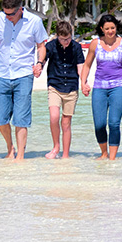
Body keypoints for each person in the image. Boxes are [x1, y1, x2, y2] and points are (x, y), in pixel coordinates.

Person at [0, 0, 47, 161]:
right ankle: (9, 148)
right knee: (1, 118)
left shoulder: (35, 22)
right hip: (2, 74)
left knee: (21, 119)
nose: (8, 17)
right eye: (5, 13)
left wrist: (39, 63)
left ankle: (20, 155)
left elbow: (41, 46)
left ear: (20, 9)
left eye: (11, 14)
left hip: (24, 74)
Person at [81, 13, 122, 160]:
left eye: (113, 28)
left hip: (118, 87)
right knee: (99, 124)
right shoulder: (95, 44)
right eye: (107, 28)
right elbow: (87, 65)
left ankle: (112, 158)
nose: (111, 31)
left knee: (113, 123)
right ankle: (103, 153)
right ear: (102, 29)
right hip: (99, 87)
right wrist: (83, 82)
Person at [38, 20, 84, 159]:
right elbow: (43, 60)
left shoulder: (76, 47)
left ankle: (65, 155)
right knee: (54, 117)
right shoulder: (50, 46)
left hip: (71, 87)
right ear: (57, 35)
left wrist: (84, 83)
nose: (67, 41)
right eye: (64, 39)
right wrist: (39, 66)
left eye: (69, 38)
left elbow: (80, 66)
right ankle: (56, 146)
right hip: (55, 85)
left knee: (66, 122)